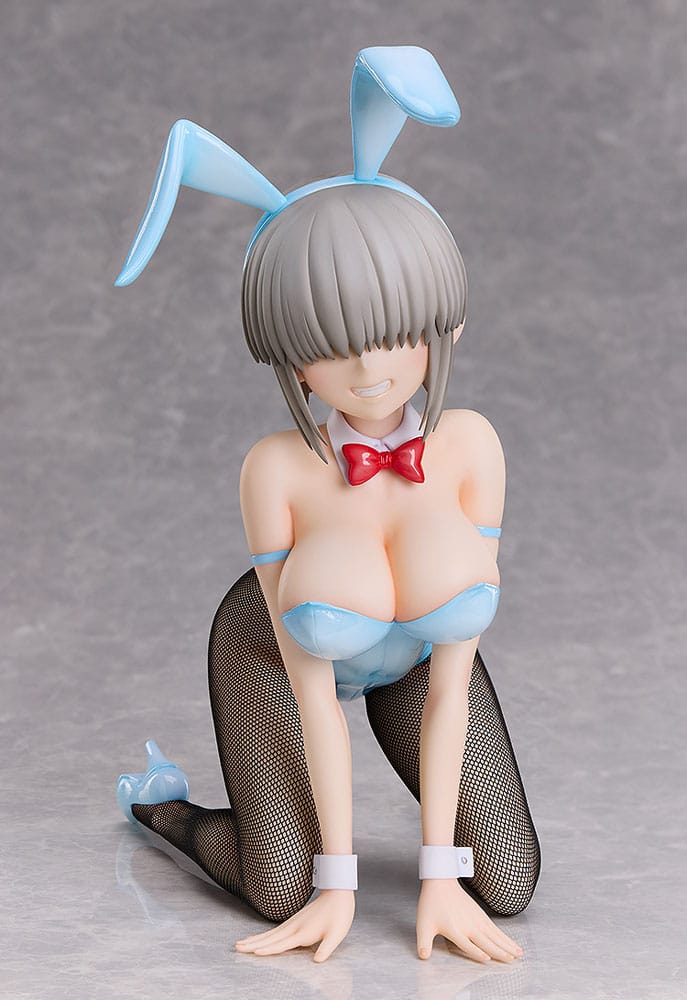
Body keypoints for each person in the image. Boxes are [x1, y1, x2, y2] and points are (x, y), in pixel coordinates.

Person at [115, 46, 541, 964]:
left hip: (415, 662)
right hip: (276, 655)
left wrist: (438, 875)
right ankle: (162, 807)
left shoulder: (471, 448)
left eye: (394, 331)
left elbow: (452, 682)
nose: (369, 366)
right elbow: (315, 697)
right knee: (280, 884)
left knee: (504, 878)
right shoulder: (277, 470)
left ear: (444, 322)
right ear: (290, 357)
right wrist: (338, 883)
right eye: (331, 341)